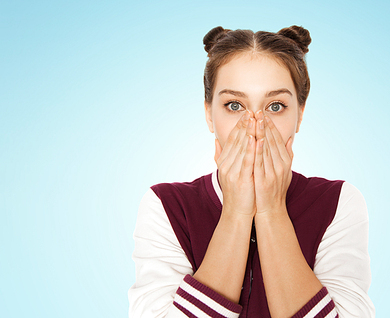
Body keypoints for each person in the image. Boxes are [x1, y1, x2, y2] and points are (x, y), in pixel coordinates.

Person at [128, 25, 375, 318]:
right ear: (209, 113)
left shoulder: (339, 203)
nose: (255, 126)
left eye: (275, 106)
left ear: (300, 114)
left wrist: (271, 210)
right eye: (234, 105)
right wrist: (236, 212)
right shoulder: (166, 206)